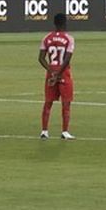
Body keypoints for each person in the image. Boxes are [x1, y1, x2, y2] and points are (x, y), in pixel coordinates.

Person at [39, 12, 75, 140]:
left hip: (51, 72)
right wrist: (59, 73)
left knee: (48, 102)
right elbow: (67, 59)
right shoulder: (69, 39)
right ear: (65, 23)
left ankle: (44, 131)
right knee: (66, 103)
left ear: (54, 23)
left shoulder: (46, 38)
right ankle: (65, 131)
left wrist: (51, 72)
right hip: (63, 72)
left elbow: (41, 58)